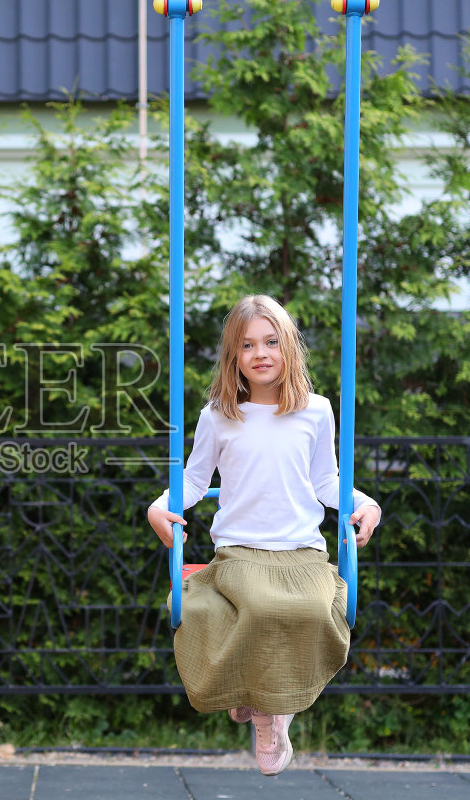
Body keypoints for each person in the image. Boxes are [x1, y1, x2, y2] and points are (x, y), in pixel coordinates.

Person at [147, 294, 380, 775]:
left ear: (289, 346)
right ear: (233, 356)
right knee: (233, 608)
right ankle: (265, 711)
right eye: (247, 345)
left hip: (302, 553)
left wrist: (364, 504)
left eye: (271, 341)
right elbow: (193, 481)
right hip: (240, 553)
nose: (260, 353)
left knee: (313, 609)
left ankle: (266, 707)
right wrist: (158, 506)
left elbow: (325, 481)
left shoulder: (315, 411)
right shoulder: (219, 414)